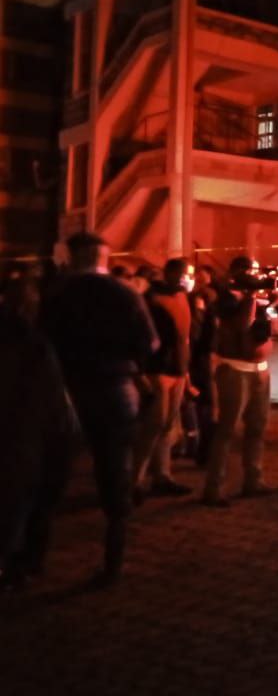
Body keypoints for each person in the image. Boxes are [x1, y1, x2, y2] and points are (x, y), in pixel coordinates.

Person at [44, 232, 159, 587]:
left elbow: (41, 341)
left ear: (73, 256)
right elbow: (150, 342)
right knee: (115, 472)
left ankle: (32, 558)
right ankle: (113, 561)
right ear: (104, 257)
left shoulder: (57, 292)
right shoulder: (125, 293)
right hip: (115, 388)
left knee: (49, 473)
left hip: (64, 390)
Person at [0, 271, 76, 592]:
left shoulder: (34, 344)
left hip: (19, 436)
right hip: (24, 439)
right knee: (23, 504)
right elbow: (52, 402)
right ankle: (20, 564)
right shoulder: (35, 346)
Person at [201, 257, 278, 508]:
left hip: (260, 370)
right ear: (237, 273)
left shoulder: (261, 295)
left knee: (257, 428)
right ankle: (213, 488)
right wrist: (252, 296)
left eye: (256, 272)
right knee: (227, 430)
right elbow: (243, 325)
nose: (255, 276)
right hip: (235, 370)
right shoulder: (226, 298)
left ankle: (254, 480)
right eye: (249, 272)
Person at [132, 258, 195, 502]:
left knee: (167, 425)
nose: (188, 279)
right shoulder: (152, 299)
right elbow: (142, 337)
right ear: (169, 274)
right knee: (153, 424)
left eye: (190, 274)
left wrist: (186, 373)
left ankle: (162, 475)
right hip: (157, 369)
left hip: (178, 369)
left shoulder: (183, 297)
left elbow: (185, 337)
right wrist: (141, 374)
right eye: (184, 274)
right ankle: (135, 480)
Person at [188, 264, 218, 465]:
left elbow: (198, 330)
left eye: (202, 275)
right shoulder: (203, 298)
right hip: (203, 358)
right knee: (206, 404)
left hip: (204, 357)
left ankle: (203, 449)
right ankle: (203, 449)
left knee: (205, 404)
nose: (198, 278)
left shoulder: (205, 297)